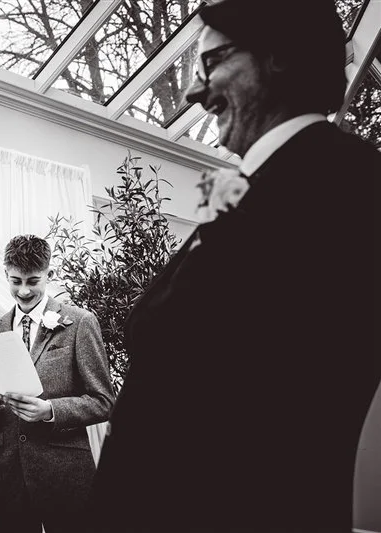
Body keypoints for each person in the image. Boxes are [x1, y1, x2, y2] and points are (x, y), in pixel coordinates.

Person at [87, 0, 381, 532]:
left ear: (279, 56)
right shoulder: (256, 189)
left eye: (211, 64)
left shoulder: (345, 188)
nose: (194, 93)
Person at [0, 235, 114, 533]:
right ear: (5, 274)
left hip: (65, 480)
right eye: (15, 281)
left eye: (33, 281)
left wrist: (50, 410)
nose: (23, 290)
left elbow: (104, 401)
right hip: (7, 481)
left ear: (49, 275)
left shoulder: (80, 322)